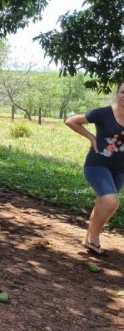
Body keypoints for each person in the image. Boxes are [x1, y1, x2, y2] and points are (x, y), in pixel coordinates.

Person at [65, 80, 124, 256]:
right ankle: (95, 239)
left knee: (102, 202)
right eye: (123, 92)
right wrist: (92, 138)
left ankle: (87, 239)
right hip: (97, 165)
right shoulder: (104, 113)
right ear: (117, 93)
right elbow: (71, 121)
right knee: (110, 201)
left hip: (120, 169)